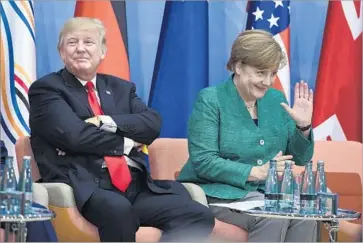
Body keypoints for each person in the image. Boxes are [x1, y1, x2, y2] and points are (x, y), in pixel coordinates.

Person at [28, 17, 214, 242]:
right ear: (61, 52)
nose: (80, 49)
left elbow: (152, 125)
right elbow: (74, 136)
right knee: (118, 210)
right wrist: (127, 142)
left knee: (198, 216)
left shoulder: (121, 88)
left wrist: (105, 121)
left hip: (135, 186)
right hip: (86, 187)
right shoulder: (46, 90)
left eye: (89, 42)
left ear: (103, 51)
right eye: (72, 42)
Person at [177, 29, 317, 242]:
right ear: (238, 66)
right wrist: (255, 172)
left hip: (267, 194)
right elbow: (203, 162)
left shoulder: (275, 100)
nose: (268, 82)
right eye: (261, 73)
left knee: (305, 216)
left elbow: (300, 158)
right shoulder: (211, 100)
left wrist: (303, 126)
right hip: (217, 195)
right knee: (272, 215)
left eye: (272, 73)